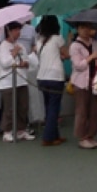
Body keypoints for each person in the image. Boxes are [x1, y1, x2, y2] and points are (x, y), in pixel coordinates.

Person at [0, 22, 34, 142]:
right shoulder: (3, 46)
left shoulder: (20, 45)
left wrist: (24, 63)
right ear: (9, 31)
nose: (18, 32)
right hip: (8, 82)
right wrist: (14, 53)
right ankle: (7, 131)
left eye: (19, 30)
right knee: (9, 108)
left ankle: (20, 130)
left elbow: (27, 60)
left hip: (21, 80)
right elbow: (5, 63)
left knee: (23, 106)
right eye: (16, 30)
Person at [68, 21, 97, 150]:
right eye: (82, 28)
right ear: (78, 29)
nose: (86, 30)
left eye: (88, 27)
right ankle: (82, 137)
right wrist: (91, 57)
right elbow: (78, 65)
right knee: (82, 110)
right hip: (81, 82)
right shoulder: (74, 46)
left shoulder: (94, 42)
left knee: (95, 110)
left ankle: (91, 135)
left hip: (95, 81)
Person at [34, 15, 67, 146]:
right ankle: (48, 137)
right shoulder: (58, 39)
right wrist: (69, 40)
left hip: (41, 77)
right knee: (54, 108)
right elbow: (67, 54)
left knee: (49, 107)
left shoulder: (39, 41)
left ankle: (54, 135)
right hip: (55, 77)